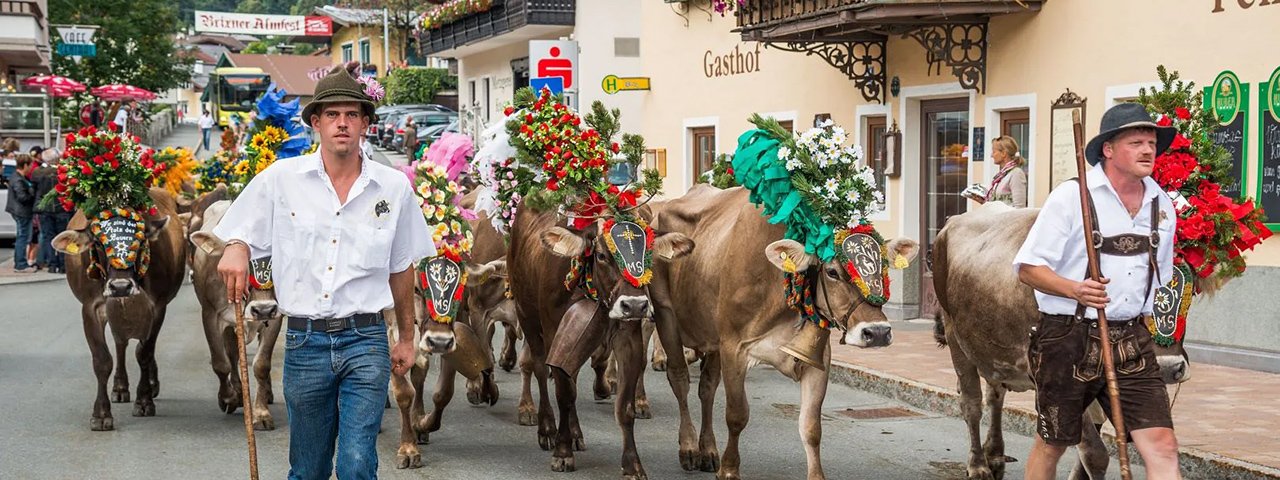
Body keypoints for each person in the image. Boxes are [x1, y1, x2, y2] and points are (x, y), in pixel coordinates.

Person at [214, 64, 432, 479]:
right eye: (332, 115)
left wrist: (406, 337)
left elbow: (401, 267)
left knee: (355, 463)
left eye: (352, 114)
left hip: (366, 341)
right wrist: (237, 248)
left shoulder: (393, 188)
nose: (342, 123)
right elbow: (238, 232)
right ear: (316, 122)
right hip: (305, 342)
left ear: (366, 123)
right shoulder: (281, 179)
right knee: (308, 469)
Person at [1013, 103, 1180, 480]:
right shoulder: (1072, 197)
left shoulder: (1161, 204)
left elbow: (1161, 279)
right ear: (1108, 149)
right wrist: (1076, 289)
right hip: (1068, 336)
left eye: (1151, 142)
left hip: (1132, 338)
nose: (1148, 150)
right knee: (1053, 442)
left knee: (1162, 444)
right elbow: (1027, 268)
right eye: (1136, 142)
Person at [32, 148, 69, 274]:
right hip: (61, 208)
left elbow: (34, 189)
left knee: (48, 237)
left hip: (45, 209)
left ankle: (52, 264)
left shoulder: (38, 172)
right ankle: (63, 265)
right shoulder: (63, 171)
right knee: (62, 236)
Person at [5, 154, 37, 273]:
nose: (31, 168)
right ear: (25, 165)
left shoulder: (18, 177)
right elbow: (23, 197)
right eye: (30, 165)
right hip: (22, 211)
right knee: (23, 237)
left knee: (22, 237)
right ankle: (21, 264)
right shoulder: (18, 179)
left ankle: (20, 263)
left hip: (19, 211)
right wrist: (32, 194)